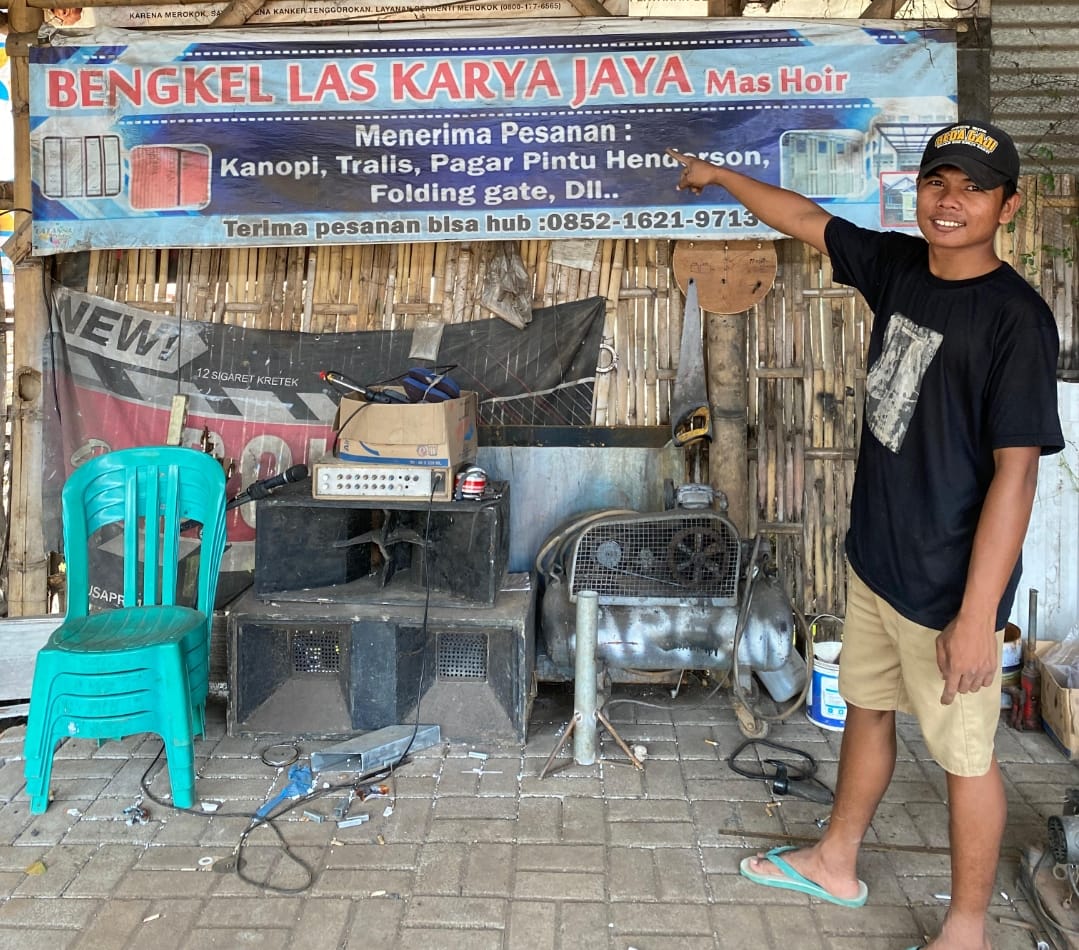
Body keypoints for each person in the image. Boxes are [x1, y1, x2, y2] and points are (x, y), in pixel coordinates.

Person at [669, 121, 1064, 950]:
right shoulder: (898, 267)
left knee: (965, 759)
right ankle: (834, 860)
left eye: (974, 188)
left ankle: (965, 931)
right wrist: (719, 175)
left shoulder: (1014, 321)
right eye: (936, 182)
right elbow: (803, 218)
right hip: (878, 559)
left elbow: (1016, 477)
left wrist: (975, 617)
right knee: (867, 710)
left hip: (948, 586)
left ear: (1006, 207)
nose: (949, 201)